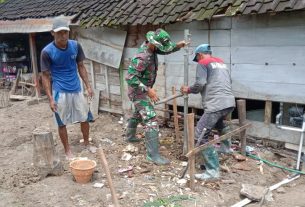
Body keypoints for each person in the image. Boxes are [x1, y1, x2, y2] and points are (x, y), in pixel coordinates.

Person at [125, 28, 187, 165]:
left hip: (142, 90)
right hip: (137, 91)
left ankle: (129, 137)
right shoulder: (143, 57)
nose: (161, 49)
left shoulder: (152, 48)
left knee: (138, 113)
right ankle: (152, 155)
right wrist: (148, 90)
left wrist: (178, 46)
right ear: (154, 44)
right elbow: (129, 77)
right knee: (151, 118)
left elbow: (165, 50)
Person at [41, 17, 93, 160]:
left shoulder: (75, 46)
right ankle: (67, 150)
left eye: (66, 32)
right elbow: (45, 76)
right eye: (60, 33)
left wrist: (88, 86)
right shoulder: (47, 52)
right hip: (60, 92)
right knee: (61, 122)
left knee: (84, 118)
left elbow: (81, 66)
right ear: (53, 33)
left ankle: (87, 143)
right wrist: (50, 99)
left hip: (76, 89)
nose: (63, 35)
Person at [180, 43, 235, 181]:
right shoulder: (221, 63)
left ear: (199, 55)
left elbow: (200, 84)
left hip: (215, 104)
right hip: (228, 102)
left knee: (199, 135)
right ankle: (226, 148)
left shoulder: (203, 63)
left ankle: (212, 171)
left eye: (197, 58)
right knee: (219, 124)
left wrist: (188, 89)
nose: (197, 61)